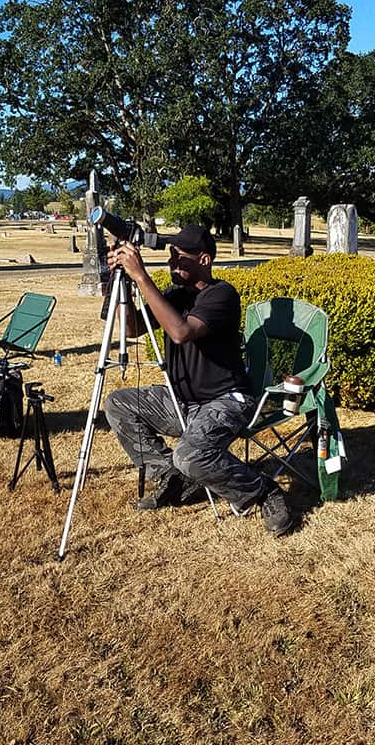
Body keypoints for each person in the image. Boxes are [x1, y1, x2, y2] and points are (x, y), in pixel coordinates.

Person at [103, 223, 295, 536]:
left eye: (179, 257)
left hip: (225, 400)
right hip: (183, 401)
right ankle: (174, 475)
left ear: (204, 260)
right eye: (169, 257)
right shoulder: (173, 296)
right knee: (119, 403)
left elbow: (181, 332)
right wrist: (117, 280)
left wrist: (141, 276)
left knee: (189, 454)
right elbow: (131, 329)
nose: (171, 264)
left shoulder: (222, 295)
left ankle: (264, 491)